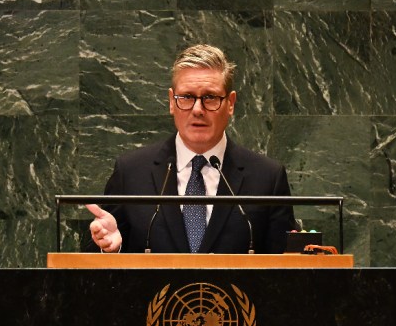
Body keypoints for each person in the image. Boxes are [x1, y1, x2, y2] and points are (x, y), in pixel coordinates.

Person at [86, 44, 296, 254]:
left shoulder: (267, 178)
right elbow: (92, 258)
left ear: (230, 103)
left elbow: (287, 266)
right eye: (186, 97)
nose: (197, 110)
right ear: (171, 101)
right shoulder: (131, 172)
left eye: (210, 97)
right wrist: (111, 248)